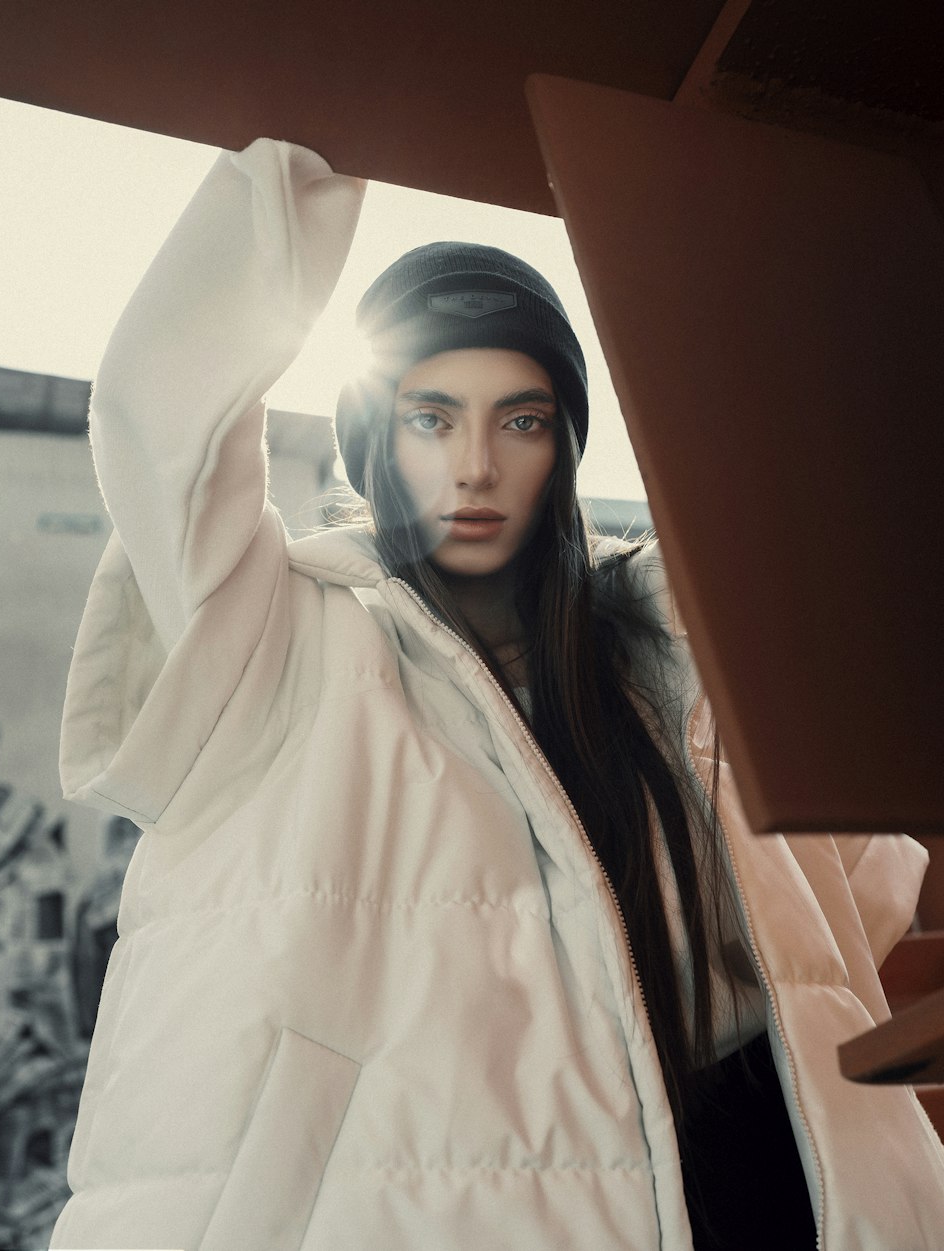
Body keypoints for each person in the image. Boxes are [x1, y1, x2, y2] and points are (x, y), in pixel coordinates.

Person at [50, 139, 944, 1250]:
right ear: (375, 438)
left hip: (783, 1198)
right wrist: (313, 141)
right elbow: (159, 414)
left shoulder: (683, 648)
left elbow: (849, 901)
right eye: (431, 417)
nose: (474, 465)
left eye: (518, 420)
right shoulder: (275, 640)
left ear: (563, 447)